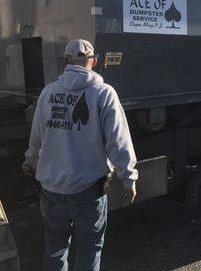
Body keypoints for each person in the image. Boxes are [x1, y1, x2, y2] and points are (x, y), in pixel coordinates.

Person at [22, 39, 138, 271]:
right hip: (88, 192)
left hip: (51, 191)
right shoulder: (104, 94)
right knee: (89, 249)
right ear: (93, 62)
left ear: (65, 62)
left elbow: (36, 136)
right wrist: (129, 178)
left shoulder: (48, 93)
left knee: (55, 247)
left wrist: (31, 160)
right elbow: (119, 142)